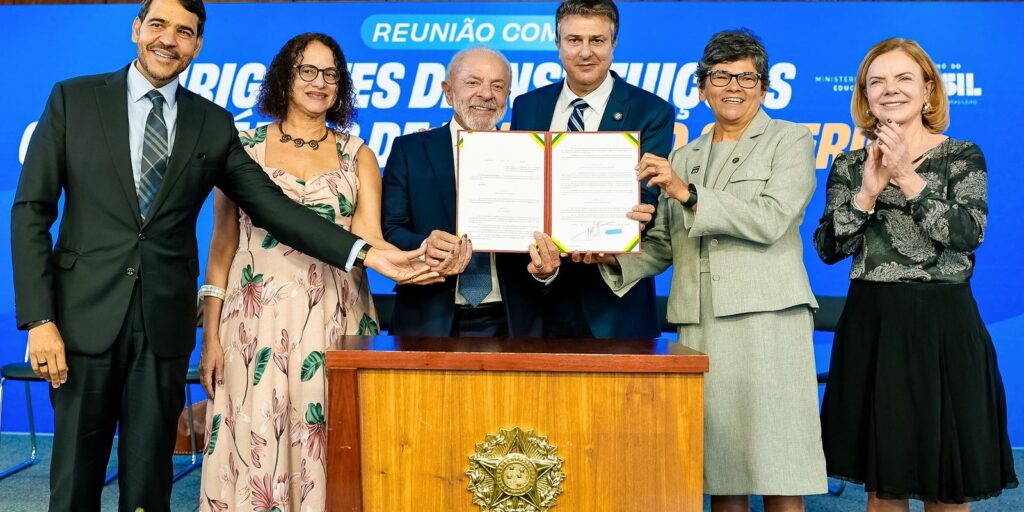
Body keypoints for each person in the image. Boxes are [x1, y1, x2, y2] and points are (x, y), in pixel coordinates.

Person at [10, 1, 432, 510]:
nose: (169, 40)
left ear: (198, 44)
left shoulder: (211, 122)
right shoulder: (73, 99)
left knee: (149, 484)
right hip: (82, 321)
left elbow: (275, 209)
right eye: (158, 25)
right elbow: (31, 211)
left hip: (163, 328)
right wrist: (40, 319)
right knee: (75, 480)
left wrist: (366, 253)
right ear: (137, 29)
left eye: (184, 32)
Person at [586, 29, 827, 511]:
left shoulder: (790, 139)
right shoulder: (684, 156)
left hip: (768, 323)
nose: (733, 87)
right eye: (720, 76)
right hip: (701, 325)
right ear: (702, 88)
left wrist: (688, 193)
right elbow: (663, 245)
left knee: (781, 471)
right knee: (719, 471)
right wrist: (609, 255)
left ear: (764, 88)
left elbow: (771, 218)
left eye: (746, 77)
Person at [195, 33, 403, 511]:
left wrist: (418, 259)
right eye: (307, 70)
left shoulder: (358, 154)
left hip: (335, 319)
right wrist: (211, 337)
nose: (319, 82)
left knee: (328, 435)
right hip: (254, 325)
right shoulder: (243, 148)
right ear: (284, 78)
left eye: (331, 74)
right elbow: (222, 246)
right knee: (255, 437)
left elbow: (370, 240)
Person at [815, 37, 1017, 511]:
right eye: (877, 82)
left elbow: (967, 234)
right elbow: (828, 248)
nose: (890, 89)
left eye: (903, 78)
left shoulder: (962, 156)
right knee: (883, 484)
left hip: (943, 327)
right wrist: (866, 193)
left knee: (946, 483)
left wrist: (907, 177)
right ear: (865, 96)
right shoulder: (849, 165)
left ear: (928, 90)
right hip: (872, 327)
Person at [510, 0, 675, 338]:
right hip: (539, 297)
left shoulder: (651, 111)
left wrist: (634, 216)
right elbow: (520, 184)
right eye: (574, 40)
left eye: (597, 40)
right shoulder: (527, 106)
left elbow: (646, 195)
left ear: (613, 44)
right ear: (558, 44)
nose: (585, 52)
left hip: (614, 305)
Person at [382, 46, 563, 337]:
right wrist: (426, 246)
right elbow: (391, 229)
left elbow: (550, 235)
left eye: (498, 86)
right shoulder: (410, 150)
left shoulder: (530, 152)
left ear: (508, 96)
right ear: (448, 92)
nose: (486, 94)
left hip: (515, 323)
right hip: (427, 318)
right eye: (473, 82)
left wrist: (547, 271)